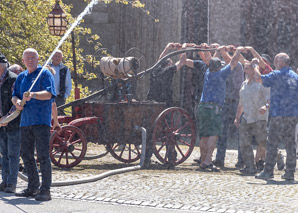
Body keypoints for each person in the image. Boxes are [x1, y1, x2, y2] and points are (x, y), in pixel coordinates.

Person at [184, 46, 243, 170]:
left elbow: (211, 60)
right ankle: (208, 161)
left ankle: (203, 161)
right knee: (213, 134)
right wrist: (238, 51)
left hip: (202, 106)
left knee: (204, 135)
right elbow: (233, 62)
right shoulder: (221, 74)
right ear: (219, 67)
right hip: (214, 107)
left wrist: (217, 50)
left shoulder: (207, 73)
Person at [12, 48, 56, 201]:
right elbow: (14, 96)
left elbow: (49, 94)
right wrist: (17, 102)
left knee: (43, 156)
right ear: (23, 60)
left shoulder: (45, 74)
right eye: (27, 58)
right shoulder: (21, 77)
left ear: (38, 59)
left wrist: (34, 95)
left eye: (33, 57)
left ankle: (46, 190)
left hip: (41, 121)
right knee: (26, 155)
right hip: (25, 122)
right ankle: (32, 187)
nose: (30, 60)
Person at [255, 53, 298, 180]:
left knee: (272, 143)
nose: (274, 63)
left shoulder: (277, 75)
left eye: (276, 60)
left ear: (281, 62)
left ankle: (268, 171)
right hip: (292, 115)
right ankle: (290, 173)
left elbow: (259, 79)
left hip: (279, 114)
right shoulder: (295, 77)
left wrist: (256, 67)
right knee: (290, 144)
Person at [234, 59, 270, 174]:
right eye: (244, 68)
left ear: (254, 70)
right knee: (244, 143)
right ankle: (250, 166)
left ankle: (277, 156)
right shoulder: (244, 84)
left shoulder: (261, 83)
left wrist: (265, 107)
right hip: (246, 117)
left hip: (259, 118)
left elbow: (270, 99)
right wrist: (237, 117)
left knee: (262, 141)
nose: (245, 70)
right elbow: (241, 102)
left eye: (248, 68)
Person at [213, 45, 244, 169]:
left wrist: (222, 51)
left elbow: (232, 61)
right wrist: (217, 51)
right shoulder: (224, 68)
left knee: (240, 133)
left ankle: (241, 160)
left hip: (237, 103)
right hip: (226, 102)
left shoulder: (238, 66)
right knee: (222, 132)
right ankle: (220, 159)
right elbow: (211, 64)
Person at [0, 53, 21, 193]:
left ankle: (11, 183)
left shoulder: (13, 79)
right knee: (3, 154)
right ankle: (4, 181)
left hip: (13, 122)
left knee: (13, 154)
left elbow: (17, 101)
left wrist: (7, 118)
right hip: (1, 124)